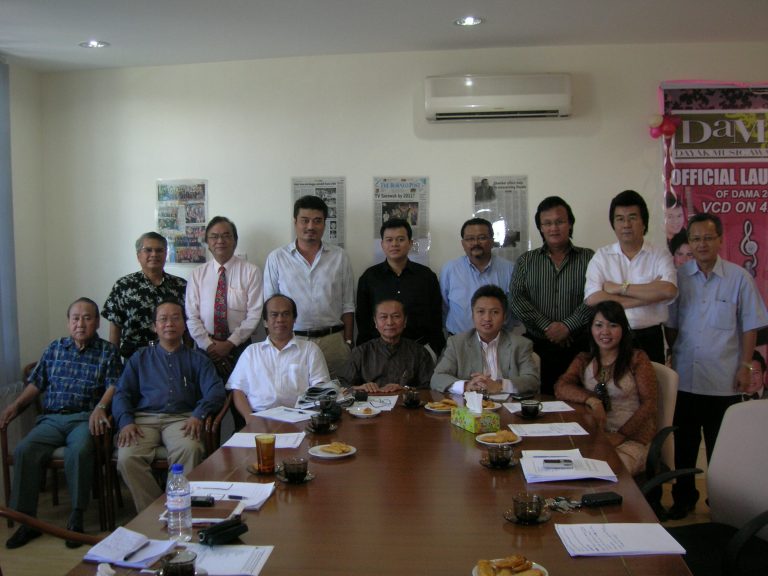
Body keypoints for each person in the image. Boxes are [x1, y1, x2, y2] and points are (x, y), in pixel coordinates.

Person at [665, 213, 768, 519]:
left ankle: (723, 504)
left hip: (724, 381)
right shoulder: (679, 279)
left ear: (720, 240)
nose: (702, 244)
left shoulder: (739, 278)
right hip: (686, 377)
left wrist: (746, 365)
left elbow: (750, 327)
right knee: (684, 445)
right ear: (688, 242)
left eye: (708, 238)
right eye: (696, 239)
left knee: (721, 449)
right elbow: (671, 325)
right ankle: (684, 498)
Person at [1, 298, 121, 549]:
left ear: (97, 322)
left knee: (78, 451)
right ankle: (27, 522)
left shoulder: (107, 351)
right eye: (75, 318)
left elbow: (114, 385)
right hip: (52, 419)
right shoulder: (55, 348)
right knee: (24, 450)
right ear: (68, 322)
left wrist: (100, 408)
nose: (81, 324)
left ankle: (76, 518)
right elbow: (36, 384)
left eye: (87, 318)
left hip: (84, 418)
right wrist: (15, 406)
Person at [113, 300, 225, 512]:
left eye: (175, 318)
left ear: (184, 325)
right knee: (127, 458)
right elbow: (122, 393)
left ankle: (178, 508)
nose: (169, 324)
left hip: (182, 419)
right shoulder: (140, 358)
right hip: (143, 420)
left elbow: (215, 391)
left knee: (190, 449)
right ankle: (154, 512)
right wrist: (125, 422)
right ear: (154, 326)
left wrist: (198, 414)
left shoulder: (197, 359)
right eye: (163, 319)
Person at [555, 301, 657, 476]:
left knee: (603, 473)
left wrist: (621, 435)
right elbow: (561, 387)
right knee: (567, 470)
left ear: (623, 329)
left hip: (632, 440)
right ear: (591, 329)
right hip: (595, 437)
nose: (605, 332)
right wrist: (592, 400)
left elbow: (650, 403)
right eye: (599, 325)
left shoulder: (637, 359)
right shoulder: (584, 359)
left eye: (613, 325)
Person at [510, 196, 595, 395]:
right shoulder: (526, 261)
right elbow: (516, 299)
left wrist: (568, 326)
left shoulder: (589, 258)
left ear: (570, 223)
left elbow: (595, 297)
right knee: (540, 401)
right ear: (540, 228)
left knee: (579, 400)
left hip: (579, 346)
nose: (553, 228)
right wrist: (548, 327)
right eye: (547, 223)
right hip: (538, 347)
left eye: (559, 222)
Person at [264, 195, 355, 378]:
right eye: (305, 220)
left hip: (333, 342)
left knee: (339, 392)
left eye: (317, 221)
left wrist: (348, 341)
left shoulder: (339, 256)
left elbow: (348, 304)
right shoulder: (277, 258)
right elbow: (269, 307)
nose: (311, 226)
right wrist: (275, 343)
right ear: (295, 222)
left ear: (324, 223)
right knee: (294, 392)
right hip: (293, 341)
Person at [584, 190, 677, 363]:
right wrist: (649, 297)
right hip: (610, 339)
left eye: (632, 218)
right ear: (613, 224)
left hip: (650, 337)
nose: (626, 224)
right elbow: (593, 298)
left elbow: (669, 290)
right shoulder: (602, 257)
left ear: (644, 223)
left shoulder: (660, 255)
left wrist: (619, 288)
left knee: (651, 381)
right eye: (620, 219)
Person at [228, 294, 330, 423]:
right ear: (265, 321)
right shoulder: (251, 352)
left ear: (294, 319)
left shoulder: (310, 350)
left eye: (286, 314)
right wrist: (250, 418)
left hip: (301, 418)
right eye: (274, 315)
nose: (280, 319)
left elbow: (321, 388)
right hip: (259, 418)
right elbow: (238, 390)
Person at [186, 216, 263, 380]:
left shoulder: (251, 272)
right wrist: (209, 345)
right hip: (205, 347)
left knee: (240, 391)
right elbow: (192, 316)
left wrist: (229, 343)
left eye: (226, 235)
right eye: (214, 236)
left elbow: (254, 315)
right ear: (207, 243)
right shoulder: (197, 274)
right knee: (207, 392)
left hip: (239, 346)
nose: (220, 241)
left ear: (235, 241)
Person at [356, 219, 444, 355]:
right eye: (389, 240)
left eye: (400, 239)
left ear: (410, 243)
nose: (394, 244)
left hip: (420, 349)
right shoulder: (369, 277)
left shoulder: (426, 276)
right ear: (382, 244)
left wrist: (434, 349)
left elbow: (436, 316)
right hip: (379, 352)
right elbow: (363, 319)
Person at [431, 285, 539, 395]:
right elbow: (437, 378)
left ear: (504, 317)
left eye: (495, 312)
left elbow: (532, 380)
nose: (487, 318)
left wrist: (500, 386)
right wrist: (467, 386)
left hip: (507, 404)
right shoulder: (457, 343)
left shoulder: (520, 344)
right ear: (472, 315)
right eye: (481, 311)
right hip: (469, 404)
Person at [103, 232, 187, 360]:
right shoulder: (123, 285)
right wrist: (114, 360)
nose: (154, 254)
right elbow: (115, 325)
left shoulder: (181, 285)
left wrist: (189, 357)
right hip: (134, 358)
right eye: (148, 250)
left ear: (166, 254)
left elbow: (187, 325)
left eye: (159, 250)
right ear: (138, 256)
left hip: (172, 357)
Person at [440, 218, 516, 336]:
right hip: (459, 340)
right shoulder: (450, 269)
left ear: (492, 241)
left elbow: (514, 308)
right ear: (463, 243)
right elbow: (443, 306)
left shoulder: (509, 269)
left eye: (482, 238)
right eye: (470, 239)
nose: (475, 243)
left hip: (499, 340)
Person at [340, 299, 434, 392]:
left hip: (407, 400)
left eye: (396, 316)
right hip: (370, 401)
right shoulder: (361, 352)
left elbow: (429, 387)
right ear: (375, 322)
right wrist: (361, 387)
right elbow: (342, 385)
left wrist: (405, 389)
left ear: (405, 321)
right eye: (383, 317)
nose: (390, 322)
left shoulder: (419, 352)